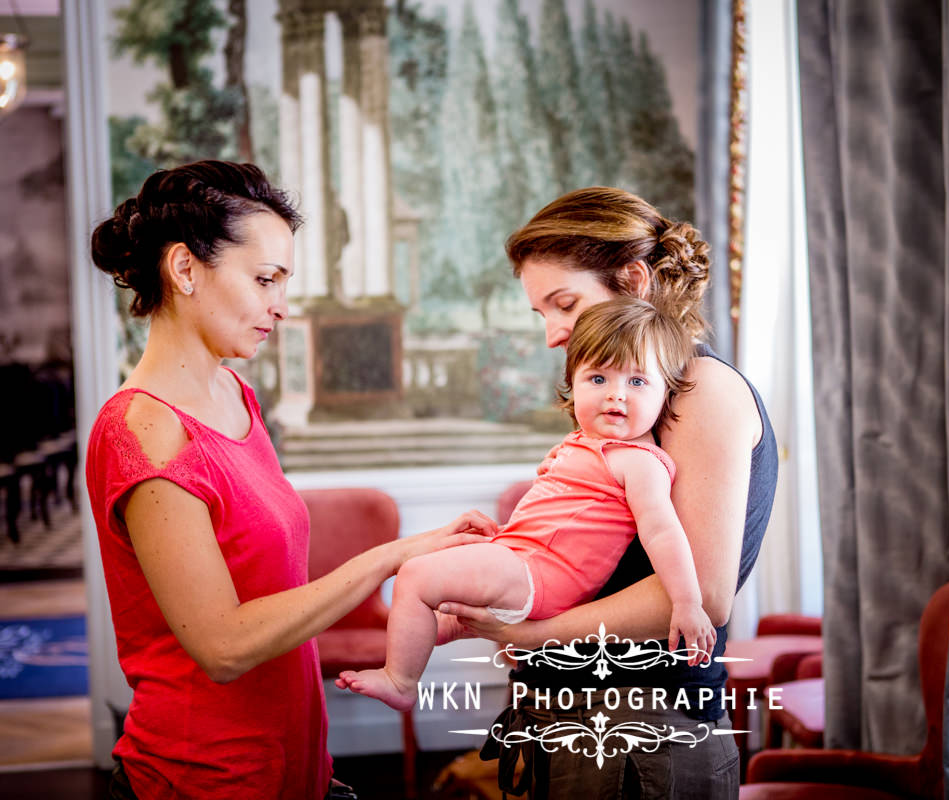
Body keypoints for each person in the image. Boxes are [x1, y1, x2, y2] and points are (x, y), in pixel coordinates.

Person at [85, 160, 493, 800]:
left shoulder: (235, 394)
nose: (280, 306)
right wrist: (389, 557)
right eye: (265, 279)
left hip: (293, 760)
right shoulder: (142, 430)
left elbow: (271, 586)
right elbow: (223, 646)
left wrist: (425, 615)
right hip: (206, 777)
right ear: (186, 269)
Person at [436, 187, 779, 799]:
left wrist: (534, 636)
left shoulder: (702, 390)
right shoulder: (635, 403)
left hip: (641, 735)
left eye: (562, 304)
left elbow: (703, 594)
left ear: (633, 279)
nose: (552, 335)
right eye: (541, 314)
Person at [336, 297, 718, 712]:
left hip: (542, 573)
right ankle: (440, 626)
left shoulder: (641, 463)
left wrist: (686, 602)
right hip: (525, 558)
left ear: (666, 393)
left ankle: (401, 680)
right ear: (573, 383)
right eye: (598, 379)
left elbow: (662, 530)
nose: (616, 395)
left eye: (637, 382)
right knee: (441, 584)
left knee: (414, 575)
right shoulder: (587, 444)